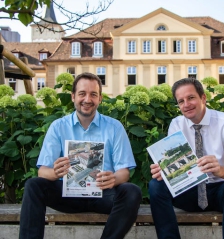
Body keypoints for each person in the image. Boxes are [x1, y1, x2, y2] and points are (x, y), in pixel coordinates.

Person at [19, 72, 142, 239]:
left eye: (93, 94)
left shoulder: (115, 127)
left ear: (100, 99)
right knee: (33, 185)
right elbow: (43, 171)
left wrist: (113, 178)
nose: (87, 99)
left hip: (103, 194)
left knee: (132, 191)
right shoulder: (58, 127)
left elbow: (124, 172)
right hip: (67, 193)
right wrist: (55, 173)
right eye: (82, 94)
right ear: (73, 97)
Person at [149, 78, 224, 239]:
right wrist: (165, 171)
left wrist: (221, 170)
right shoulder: (176, 124)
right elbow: (175, 169)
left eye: (191, 98)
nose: (186, 104)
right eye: (181, 101)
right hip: (188, 190)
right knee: (156, 185)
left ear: (203, 98)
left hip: (219, 190)